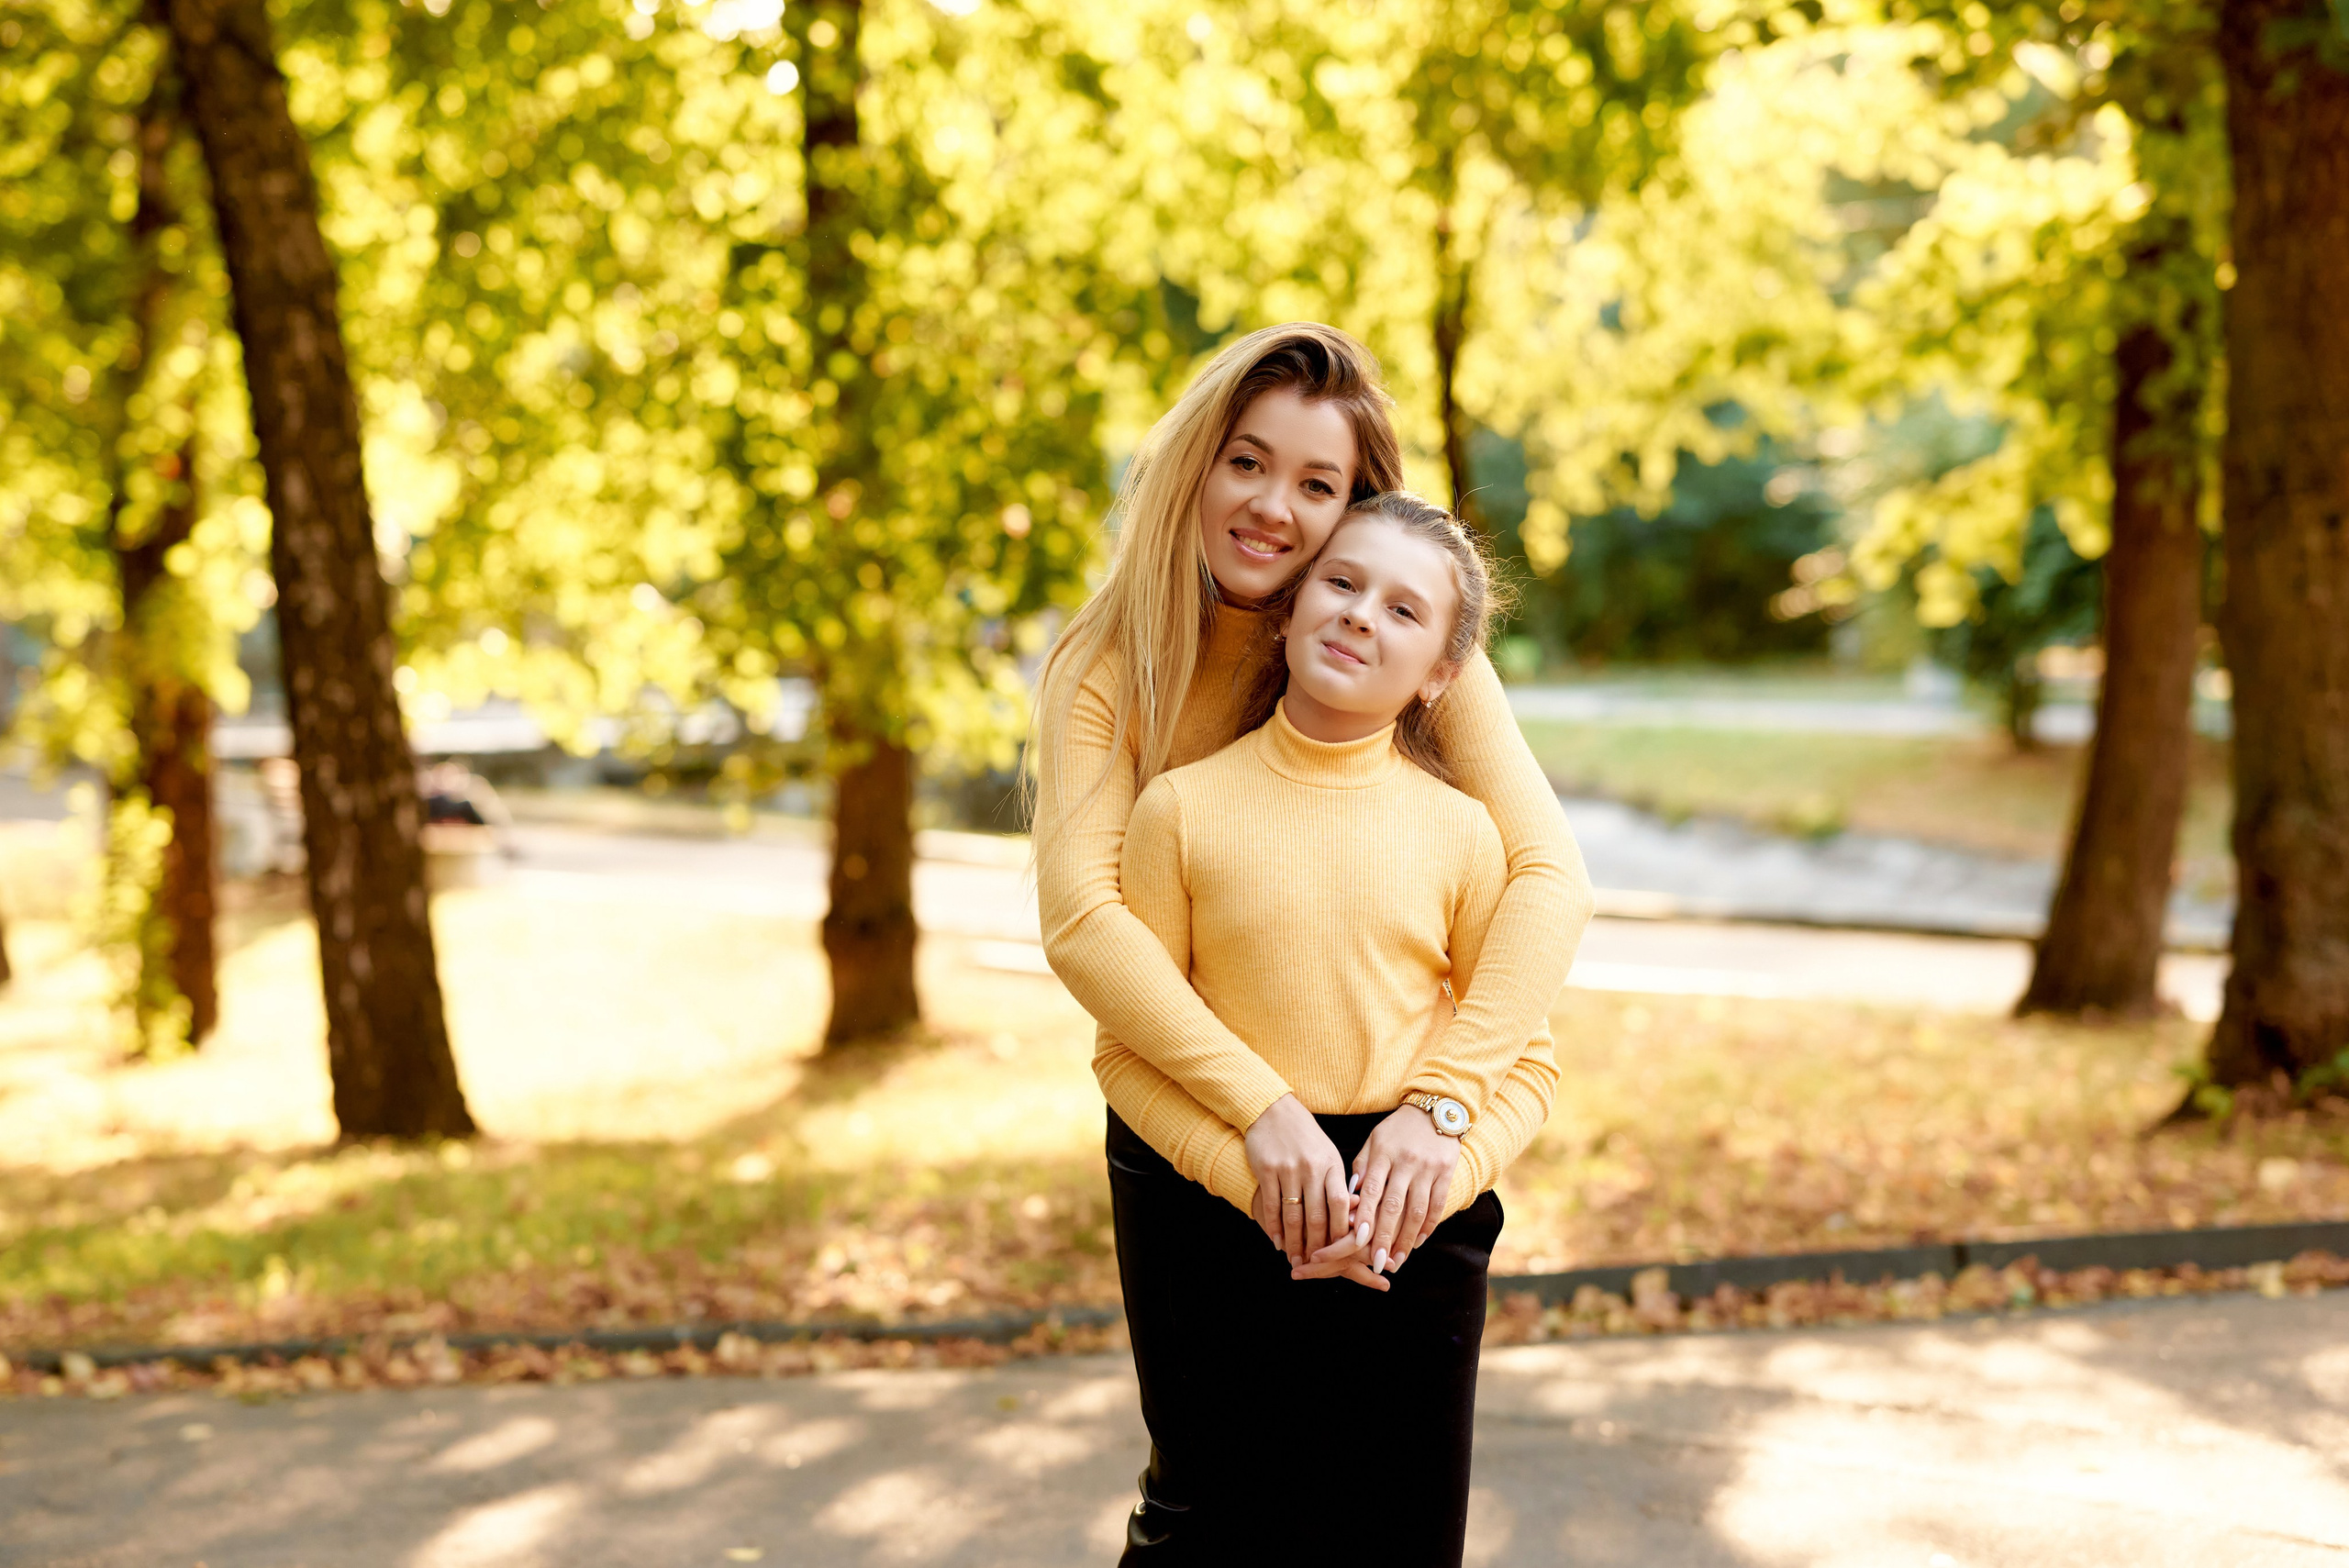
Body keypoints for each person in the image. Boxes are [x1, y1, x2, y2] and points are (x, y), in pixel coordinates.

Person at [1028, 323, 1593, 1562]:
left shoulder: (1394, 632)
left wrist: (1443, 1111)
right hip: (1204, 1127)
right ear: (1197, 463)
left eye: (1317, 483)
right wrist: (1259, 1116)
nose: (1273, 507)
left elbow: (1550, 876)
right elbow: (1084, 921)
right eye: (1247, 460)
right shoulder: (1113, 664)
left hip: (1396, 1157)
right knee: (1205, 1509)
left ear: (1355, 507)